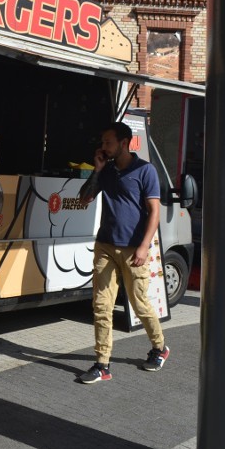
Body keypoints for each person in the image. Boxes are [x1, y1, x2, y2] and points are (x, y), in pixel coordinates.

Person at [76, 121, 169, 384]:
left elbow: (154, 213)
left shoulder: (145, 171)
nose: (103, 146)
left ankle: (159, 347)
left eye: (108, 142)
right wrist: (97, 170)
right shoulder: (107, 171)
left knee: (140, 304)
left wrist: (143, 246)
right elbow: (84, 199)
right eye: (103, 142)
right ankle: (102, 364)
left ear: (124, 143)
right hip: (105, 245)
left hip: (133, 249)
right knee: (102, 306)